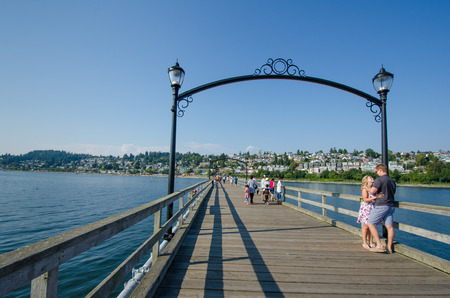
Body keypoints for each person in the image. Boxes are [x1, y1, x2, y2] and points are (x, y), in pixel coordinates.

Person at [365, 163, 396, 253]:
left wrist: (366, 187)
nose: (376, 173)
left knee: (370, 223)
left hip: (381, 205)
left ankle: (379, 245)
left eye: (376, 171)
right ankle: (389, 247)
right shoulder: (392, 181)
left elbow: (373, 190)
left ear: (380, 170)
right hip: (391, 205)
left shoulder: (379, 180)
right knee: (389, 227)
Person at [358, 176, 377, 249]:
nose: (372, 178)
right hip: (366, 208)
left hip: (372, 207)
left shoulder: (373, 189)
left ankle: (371, 242)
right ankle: (365, 242)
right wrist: (375, 197)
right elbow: (365, 199)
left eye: (372, 178)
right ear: (366, 181)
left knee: (371, 226)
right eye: (370, 178)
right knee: (366, 226)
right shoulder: (364, 189)